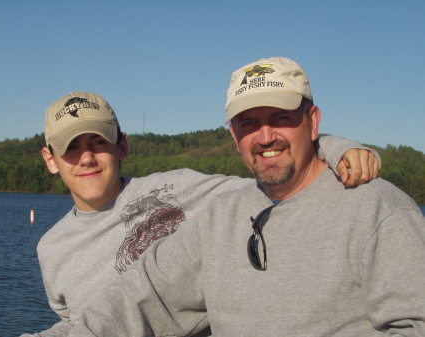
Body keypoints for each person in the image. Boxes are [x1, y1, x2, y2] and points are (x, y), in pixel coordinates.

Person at [67, 57, 425, 337]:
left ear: (312, 122)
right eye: (248, 123)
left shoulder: (379, 209)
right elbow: (141, 298)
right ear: (234, 135)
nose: (265, 136)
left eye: (280, 118)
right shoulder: (220, 216)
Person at [20, 90, 379, 337]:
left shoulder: (181, 188)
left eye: (98, 141)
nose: (86, 157)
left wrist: (334, 147)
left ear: (122, 146)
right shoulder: (52, 249)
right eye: (71, 147)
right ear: (50, 160)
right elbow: (75, 326)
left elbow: (280, 176)